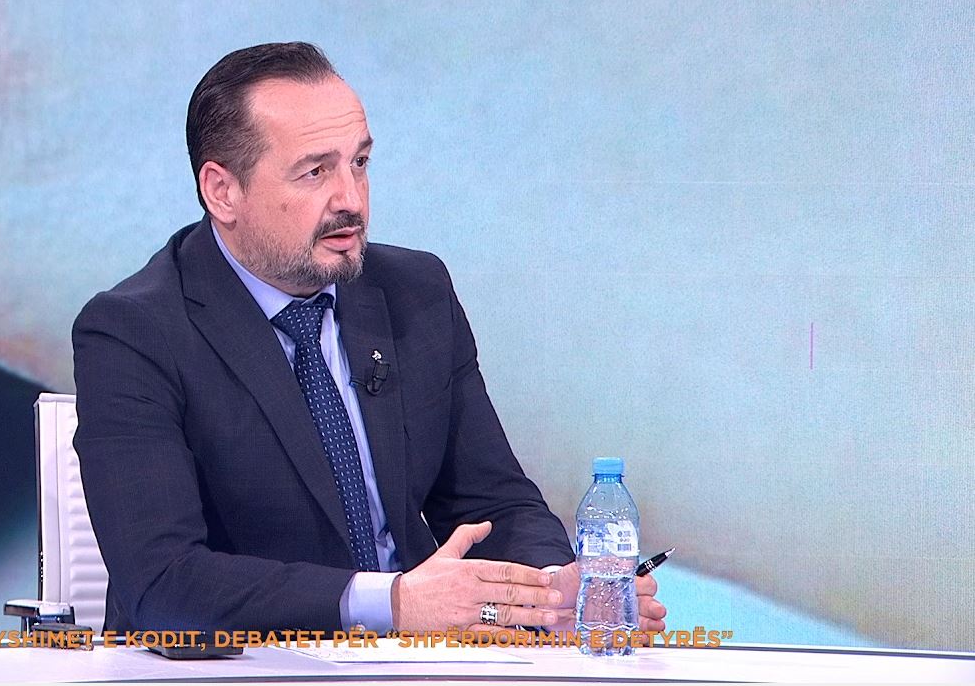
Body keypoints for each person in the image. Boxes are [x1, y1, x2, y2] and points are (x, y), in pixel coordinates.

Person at [71, 42, 666, 634]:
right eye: (315, 172)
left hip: (420, 666)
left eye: (359, 163)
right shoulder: (134, 332)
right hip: (247, 666)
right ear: (222, 191)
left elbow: (494, 504)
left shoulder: (415, 293)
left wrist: (554, 590)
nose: (351, 200)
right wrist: (391, 602)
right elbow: (163, 582)